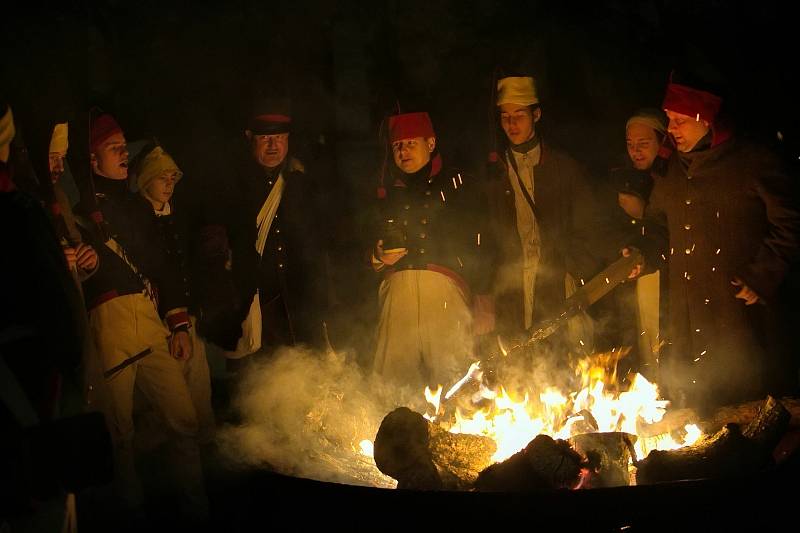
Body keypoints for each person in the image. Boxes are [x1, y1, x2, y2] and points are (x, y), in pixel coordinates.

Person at [629, 76, 800, 409]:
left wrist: (762, 275)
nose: (671, 128)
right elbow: (658, 224)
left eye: (679, 120)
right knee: (697, 408)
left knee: (749, 404)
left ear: (704, 119)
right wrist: (644, 252)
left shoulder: (753, 162)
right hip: (687, 317)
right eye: (668, 118)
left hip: (738, 314)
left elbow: (791, 223)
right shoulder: (672, 169)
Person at [76, 110, 207, 523]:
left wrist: (178, 323)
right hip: (109, 320)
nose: (123, 155)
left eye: (122, 148)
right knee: (120, 435)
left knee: (183, 419)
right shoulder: (77, 210)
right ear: (92, 162)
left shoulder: (136, 207)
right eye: (112, 150)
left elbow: (161, 266)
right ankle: (129, 517)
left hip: (150, 320)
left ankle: (197, 513)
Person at [485, 75, 607, 365]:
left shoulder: (565, 169)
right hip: (511, 286)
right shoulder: (494, 174)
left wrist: (571, 270)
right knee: (516, 362)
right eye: (505, 117)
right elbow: (486, 236)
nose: (512, 125)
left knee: (560, 359)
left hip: (557, 280)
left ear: (536, 115)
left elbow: (589, 227)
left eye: (519, 116)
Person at [370, 110, 492, 390]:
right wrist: (377, 255)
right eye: (398, 146)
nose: (403, 151)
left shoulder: (458, 183)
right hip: (396, 293)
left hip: (446, 292)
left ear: (431, 144)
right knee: (391, 386)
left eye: (411, 143)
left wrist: (484, 301)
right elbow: (357, 244)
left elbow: (483, 244)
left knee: (456, 380)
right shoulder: (384, 191)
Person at [219, 97, 329, 363]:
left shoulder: (302, 182)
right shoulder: (232, 188)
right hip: (258, 305)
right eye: (265, 138)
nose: (273, 145)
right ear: (250, 137)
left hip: (301, 303)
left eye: (280, 137)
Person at [134, 143, 215, 440]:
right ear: (145, 181)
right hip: (156, 325)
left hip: (187, 318)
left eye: (172, 179)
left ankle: (207, 458)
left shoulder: (178, 218)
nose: (169, 184)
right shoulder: (136, 221)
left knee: (200, 394)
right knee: (169, 407)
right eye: (161, 178)